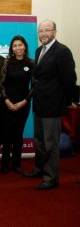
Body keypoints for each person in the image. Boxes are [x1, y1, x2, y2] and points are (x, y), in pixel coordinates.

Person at [24, 20, 77, 190]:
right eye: (41, 31)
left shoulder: (62, 51)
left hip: (53, 106)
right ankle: (40, 169)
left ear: (55, 32)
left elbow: (69, 80)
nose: (43, 34)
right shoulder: (40, 50)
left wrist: (68, 102)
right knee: (39, 141)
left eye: (47, 30)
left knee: (50, 143)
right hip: (39, 104)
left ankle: (51, 177)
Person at [0, 35, 33, 174]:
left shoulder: (31, 63)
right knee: (7, 134)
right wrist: (7, 100)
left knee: (18, 135)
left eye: (20, 45)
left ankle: (17, 164)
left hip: (23, 104)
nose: (17, 48)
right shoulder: (7, 62)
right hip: (6, 103)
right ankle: (5, 164)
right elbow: (0, 84)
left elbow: (35, 85)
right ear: (11, 48)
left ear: (25, 46)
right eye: (15, 46)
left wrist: (24, 102)